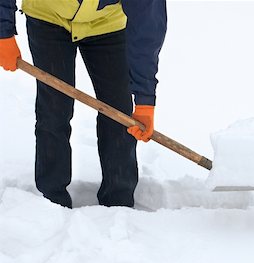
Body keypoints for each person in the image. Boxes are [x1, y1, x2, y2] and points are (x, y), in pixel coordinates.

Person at [0, 0, 167, 208]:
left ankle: (119, 202)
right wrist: (2, 30)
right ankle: (50, 203)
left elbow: (146, 22)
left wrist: (145, 100)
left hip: (107, 23)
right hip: (48, 16)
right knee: (54, 110)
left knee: (119, 115)